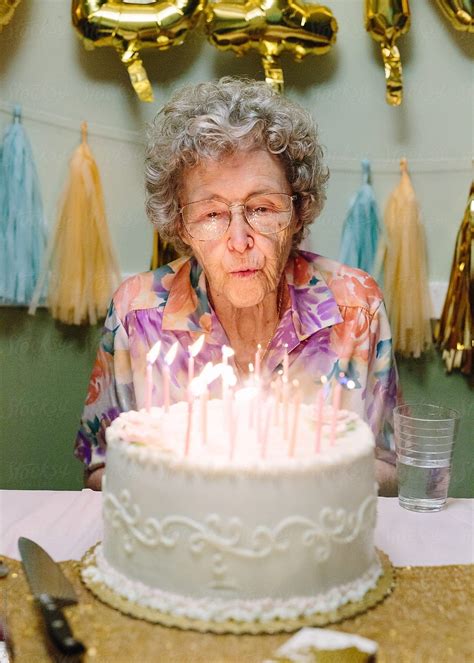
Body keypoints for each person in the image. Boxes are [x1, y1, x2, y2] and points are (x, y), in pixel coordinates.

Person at [75, 77, 399, 494]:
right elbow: (98, 471)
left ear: (298, 212)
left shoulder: (356, 307)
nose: (240, 240)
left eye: (263, 208)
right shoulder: (137, 313)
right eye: (211, 214)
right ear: (180, 224)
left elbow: (389, 470)